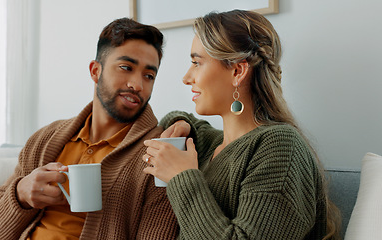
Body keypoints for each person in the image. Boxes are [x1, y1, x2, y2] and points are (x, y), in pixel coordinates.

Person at [143, 10, 341, 240]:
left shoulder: (281, 148)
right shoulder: (212, 144)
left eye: (196, 63)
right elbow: (172, 119)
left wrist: (182, 178)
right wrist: (182, 123)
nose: (187, 77)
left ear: (237, 71)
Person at [0, 18, 179, 240]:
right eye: (126, 68)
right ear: (95, 71)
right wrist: (21, 194)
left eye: (149, 75)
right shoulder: (45, 139)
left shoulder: (158, 153)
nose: (137, 85)